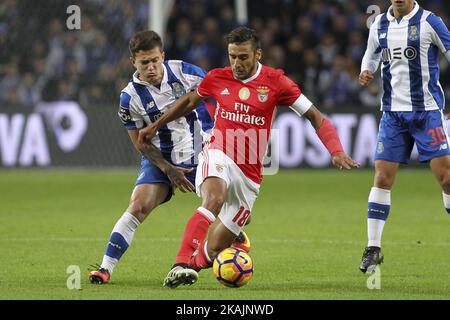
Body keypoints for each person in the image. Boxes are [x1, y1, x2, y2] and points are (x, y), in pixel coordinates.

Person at [138, 26, 360, 288]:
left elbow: (316, 117)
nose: (236, 63)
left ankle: (194, 266)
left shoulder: (277, 83)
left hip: (250, 172)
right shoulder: (217, 77)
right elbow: (188, 102)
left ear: (258, 54)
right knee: (214, 198)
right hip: (218, 149)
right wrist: (155, 126)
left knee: (215, 248)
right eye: (232, 56)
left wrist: (335, 150)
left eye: (243, 57)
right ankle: (180, 264)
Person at [88, 30, 215, 284]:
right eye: (144, 62)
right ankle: (105, 268)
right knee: (138, 206)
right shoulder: (129, 98)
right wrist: (168, 170)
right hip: (161, 160)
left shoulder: (186, 72)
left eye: (155, 60)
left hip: (203, 154)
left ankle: (223, 251)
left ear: (163, 56)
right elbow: (139, 143)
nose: (151, 67)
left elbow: (217, 95)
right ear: (133, 62)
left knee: (221, 207)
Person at [358, 0, 450, 273]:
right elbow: (371, 54)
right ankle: (373, 248)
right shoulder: (379, 24)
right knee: (382, 178)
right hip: (392, 115)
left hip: (427, 113)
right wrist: (367, 69)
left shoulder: (430, 22)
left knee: (446, 179)